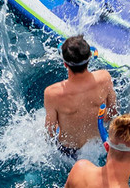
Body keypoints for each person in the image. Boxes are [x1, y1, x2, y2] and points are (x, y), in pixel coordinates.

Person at [44, 33, 117, 161]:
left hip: (68, 151)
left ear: (65, 64)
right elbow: (113, 111)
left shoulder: (53, 93)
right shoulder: (104, 77)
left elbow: (50, 130)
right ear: (90, 57)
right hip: (98, 144)